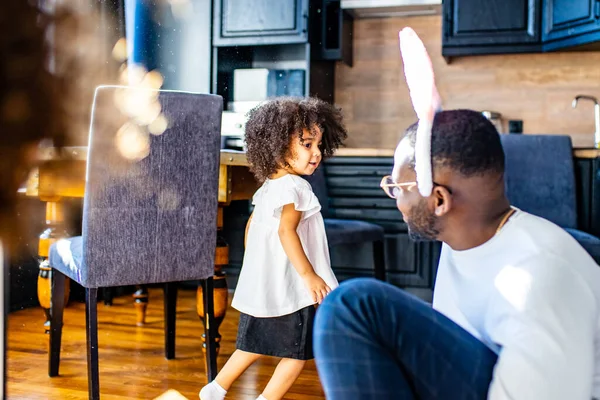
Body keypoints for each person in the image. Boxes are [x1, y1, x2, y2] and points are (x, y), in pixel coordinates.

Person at [313, 109, 600, 400]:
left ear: (439, 199)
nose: (396, 198)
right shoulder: (460, 242)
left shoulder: (538, 280)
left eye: (398, 187)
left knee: (353, 305)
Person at [200, 97, 348, 400]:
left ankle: (215, 388)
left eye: (319, 145)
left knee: (250, 344)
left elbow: (252, 228)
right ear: (278, 146)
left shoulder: (268, 186)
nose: (317, 154)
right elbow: (286, 230)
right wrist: (309, 275)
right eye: (307, 144)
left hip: (268, 285)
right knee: (297, 353)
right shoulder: (295, 188)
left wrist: (255, 268)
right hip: (293, 288)